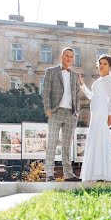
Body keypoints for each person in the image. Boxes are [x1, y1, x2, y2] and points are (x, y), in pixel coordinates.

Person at [78, 54, 111, 182]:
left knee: (102, 140)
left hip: (102, 114)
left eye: (105, 64)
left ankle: (104, 174)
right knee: (94, 140)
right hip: (95, 114)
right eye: (100, 63)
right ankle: (94, 174)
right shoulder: (99, 81)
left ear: (109, 67)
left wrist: (110, 116)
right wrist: (82, 84)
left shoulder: (108, 79)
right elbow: (92, 96)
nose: (102, 66)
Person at [41, 47, 81, 181]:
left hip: (71, 113)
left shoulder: (75, 75)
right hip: (56, 112)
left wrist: (77, 112)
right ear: (61, 56)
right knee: (52, 142)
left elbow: (77, 95)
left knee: (67, 145)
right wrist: (47, 108)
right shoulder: (51, 72)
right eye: (67, 56)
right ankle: (49, 173)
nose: (69, 58)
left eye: (71, 56)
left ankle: (68, 174)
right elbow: (46, 91)